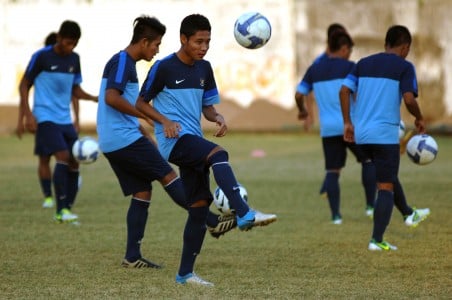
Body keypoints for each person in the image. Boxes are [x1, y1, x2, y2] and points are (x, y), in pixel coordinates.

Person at [136, 14, 277, 285]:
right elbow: (140, 103)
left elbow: (206, 107)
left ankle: (185, 274)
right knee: (218, 154)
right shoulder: (163, 67)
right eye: (198, 41)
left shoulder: (205, 68)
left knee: (199, 208)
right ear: (183, 39)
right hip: (174, 142)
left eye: (208, 42)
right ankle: (245, 212)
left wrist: (218, 117)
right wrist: (164, 122)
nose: (204, 47)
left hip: (193, 138)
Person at [97, 15, 237, 276]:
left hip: (114, 138)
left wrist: (144, 128)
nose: (158, 50)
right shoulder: (122, 61)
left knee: (142, 191)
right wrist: (149, 117)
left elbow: (121, 102)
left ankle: (132, 256)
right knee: (169, 175)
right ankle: (211, 220)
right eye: (156, 44)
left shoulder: (127, 64)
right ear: (144, 41)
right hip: (123, 137)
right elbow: (111, 98)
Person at [340, 25, 430, 251]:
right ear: (405, 47)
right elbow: (409, 100)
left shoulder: (363, 63)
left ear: (385, 44)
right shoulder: (405, 66)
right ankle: (377, 240)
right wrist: (419, 117)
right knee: (386, 187)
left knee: (386, 175)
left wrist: (348, 122)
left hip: (362, 133)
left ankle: (409, 214)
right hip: (385, 134)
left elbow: (344, 90)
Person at [18, 20, 97, 223]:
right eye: (68, 42)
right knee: (61, 155)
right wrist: (27, 115)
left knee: (74, 160)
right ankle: (59, 209)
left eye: (75, 44)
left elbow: (75, 89)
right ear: (59, 38)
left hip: (65, 120)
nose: (70, 47)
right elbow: (24, 84)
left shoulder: (74, 59)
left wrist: (94, 98)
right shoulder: (42, 56)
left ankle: (67, 209)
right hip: (45, 117)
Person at [295, 31, 376, 224]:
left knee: (332, 171)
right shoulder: (350, 66)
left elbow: (299, 94)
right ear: (344, 48)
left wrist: (303, 111)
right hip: (352, 125)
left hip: (329, 129)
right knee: (368, 161)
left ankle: (336, 216)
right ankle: (370, 207)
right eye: (349, 50)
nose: (349, 54)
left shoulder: (314, 69)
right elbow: (359, 94)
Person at [303, 23, 348, 131]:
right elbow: (308, 90)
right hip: (332, 123)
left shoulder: (345, 60)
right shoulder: (318, 63)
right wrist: (309, 114)